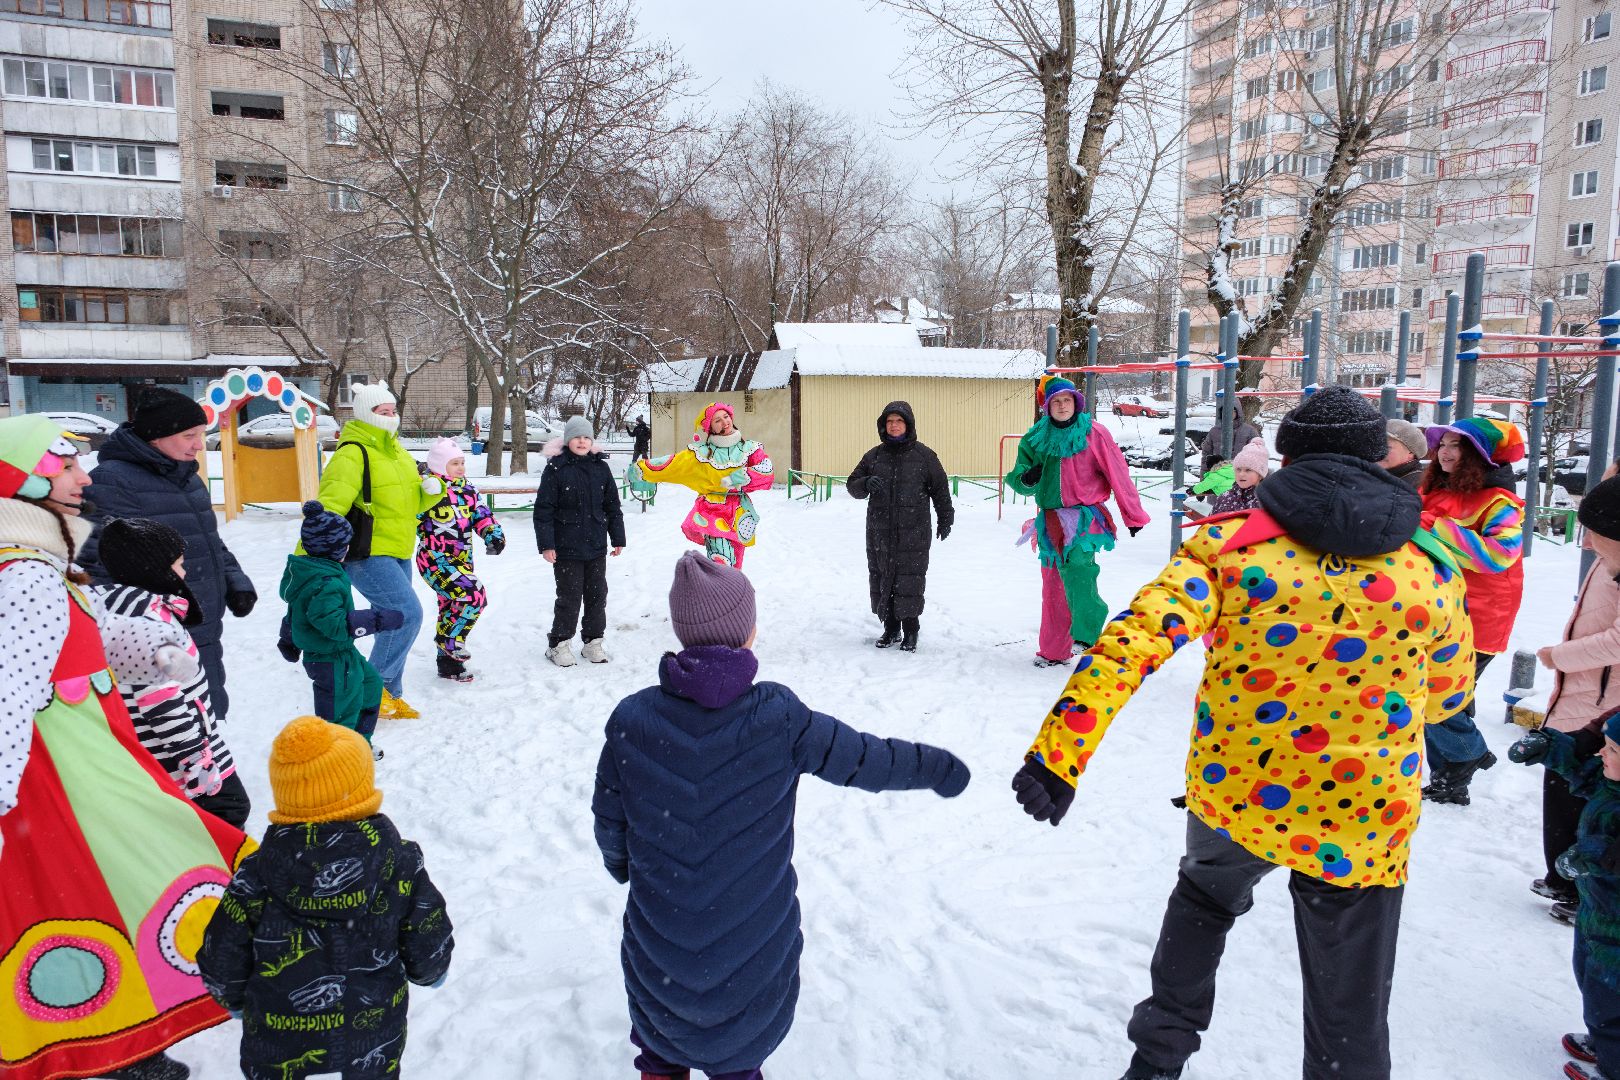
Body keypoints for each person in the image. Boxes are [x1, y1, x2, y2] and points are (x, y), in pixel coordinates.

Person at [1010, 386, 1475, 1080]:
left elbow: (1129, 645)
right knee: (1350, 1001)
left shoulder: (1227, 550)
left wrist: (1059, 756)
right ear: (1380, 458)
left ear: (1286, 457)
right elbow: (1448, 694)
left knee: (1201, 905)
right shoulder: (1431, 566)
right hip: (1368, 817)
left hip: (1239, 795)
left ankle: (1157, 1060)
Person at [592, 552, 970, 1079]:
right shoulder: (777, 717)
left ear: (681, 633)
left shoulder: (634, 720)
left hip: (663, 942)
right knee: (738, 1052)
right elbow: (864, 758)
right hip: (750, 950)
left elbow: (609, 817)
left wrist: (622, 868)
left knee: (661, 1045)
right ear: (749, 633)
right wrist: (935, 767)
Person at [0, 414, 251, 1080]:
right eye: (67, 467)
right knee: (114, 897)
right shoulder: (24, 576)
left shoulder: (41, 565)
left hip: (88, 774)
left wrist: (149, 648)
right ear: (27, 484)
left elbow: (83, 635)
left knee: (120, 897)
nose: (85, 478)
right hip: (65, 790)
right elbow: (6, 696)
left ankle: (128, 1047)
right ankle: (114, 1055)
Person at [198, 715, 453, 1080]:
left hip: (276, 1044)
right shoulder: (399, 863)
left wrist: (235, 1002)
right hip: (371, 1041)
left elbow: (221, 953)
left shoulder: (256, 874)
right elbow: (428, 933)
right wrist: (431, 973)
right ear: (362, 789)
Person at [81, 386, 256, 725]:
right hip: (155, 636)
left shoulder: (186, 478)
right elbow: (97, 564)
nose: (198, 444)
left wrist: (235, 582)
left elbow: (208, 539)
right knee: (170, 729)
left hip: (202, 622)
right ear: (156, 437)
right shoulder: (113, 482)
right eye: (189, 435)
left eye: (200, 435)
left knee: (208, 714)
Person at [93, 517, 249, 829]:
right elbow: (162, 703)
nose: (185, 572)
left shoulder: (114, 609)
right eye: (178, 564)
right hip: (186, 757)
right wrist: (199, 764)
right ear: (153, 571)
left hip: (159, 752)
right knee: (229, 812)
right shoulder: (149, 625)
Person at [311, 381, 443, 719]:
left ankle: (388, 695)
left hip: (398, 547)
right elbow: (329, 506)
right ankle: (373, 689)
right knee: (406, 614)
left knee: (390, 621)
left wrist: (430, 489)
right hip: (364, 551)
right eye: (382, 412)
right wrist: (310, 556)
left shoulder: (395, 450)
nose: (390, 417)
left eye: (393, 411)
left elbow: (409, 500)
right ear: (364, 415)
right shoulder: (353, 452)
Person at [1005, 375, 1149, 667]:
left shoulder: (1095, 433)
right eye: (1055, 401)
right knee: (1054, 586)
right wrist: (1026, 479)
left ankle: (1088, 629)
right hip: (1049, 520)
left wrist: (1132, 515)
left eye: (1066, 400)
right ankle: (1054, 651)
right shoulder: (1036, 436)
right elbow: (1019, 479)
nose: (1061, 406)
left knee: (1080, 568)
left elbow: (1117, 473)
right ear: (1047, 406)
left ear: (1076, 403)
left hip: (1085, 518)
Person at [1507, 710, 1620, 1080]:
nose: (1603, 754)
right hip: (1597, 910)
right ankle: (1607, 1041)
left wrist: (1592, 856)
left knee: (1611, 993)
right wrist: (1549, 748)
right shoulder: (1610, 784)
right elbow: (1581, 768)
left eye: (1613, 751)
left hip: (1616, 927)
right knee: (1589, 976)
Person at [1420, 416, 1527, 806]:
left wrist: (1437, 527)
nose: (1445, 453)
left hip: (1479, 614)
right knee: (1454, 695)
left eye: (1457, 446)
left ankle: (1466, 755)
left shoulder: (1500, 503)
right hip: (1440, 607)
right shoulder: (1432, 490)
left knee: (1441, 692)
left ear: (1478, 457)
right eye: (1443, 444)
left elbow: (1499, 555)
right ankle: (1452, 779)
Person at [1534, 472, 1620, 923]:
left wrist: (1559, 656)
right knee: (1563, 785)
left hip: (1600, 696)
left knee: (1581, 789)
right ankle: (1564, 877)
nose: (1587, 544)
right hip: (1584, 691)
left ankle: (1579, 888)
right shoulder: (1612, 550)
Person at [279, 502, 400, 748]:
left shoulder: (317, 571)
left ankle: (358, 743)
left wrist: (288, 639)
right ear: (335, 549)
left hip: (342, 653)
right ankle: (337, 753)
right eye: (345, 545)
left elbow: (294, 613)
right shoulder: (324, 582)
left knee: (370, 686)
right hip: (329, 658)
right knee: (340, 710)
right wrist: (378, 619)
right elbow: (335, 625)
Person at [846, 401, 954, 651]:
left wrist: (945, 518)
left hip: (913, 532)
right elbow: (852, 485)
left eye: (899, 421)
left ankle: (911, 631)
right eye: (890, 421)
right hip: (880, 532)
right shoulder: (873, 456)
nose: (894, 426)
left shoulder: (924, 456)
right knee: (883, 577)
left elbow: (940, 490)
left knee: (909, 580)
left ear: (908, 424)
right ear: (884, 425)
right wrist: (865, 483)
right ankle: (891, 628)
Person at [534, 416, 626, 667]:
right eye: (577, 437)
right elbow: (544, 510)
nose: (582, 441)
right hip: (567, 548)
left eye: (586, 437)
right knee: (570, 596)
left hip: (596, 546)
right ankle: (559, 644)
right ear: (567, 440)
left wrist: (617, 538)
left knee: (597, 595)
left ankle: (592, 642)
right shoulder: (556, 468)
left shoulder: (601, 468)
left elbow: (612, 507)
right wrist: (547, 544)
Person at [636, 401, 772, 567]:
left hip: (739, 511)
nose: (724, 422)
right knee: (721, 560)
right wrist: (638, 470)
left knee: (735, 564)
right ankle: (720, 587)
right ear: (710, 428)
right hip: (712, 510)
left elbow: (766, 471)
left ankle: (730, 591)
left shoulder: (749, 448)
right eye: (717, 420)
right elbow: (671, 464)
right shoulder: (701, 454)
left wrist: (737, 478)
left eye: (726, 416)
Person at [416, 437, 504, 683]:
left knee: (451, 607)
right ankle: (448, 641)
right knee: (474, 596)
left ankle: (448, 665)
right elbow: (407, 517)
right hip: (434, 558)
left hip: (461, 559)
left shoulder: (467, 488)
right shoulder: (427, 489)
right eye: (454, 463)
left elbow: (481, 515)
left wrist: (493, 535)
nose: (461, 468)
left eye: (462, 462)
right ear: (438, 466)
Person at [1183, 436, 1266, 521]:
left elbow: (1204, 485)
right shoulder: (1227, 495)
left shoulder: (1217, 474)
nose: (1241, 474)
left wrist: (1194, 490)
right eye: (1238, 470)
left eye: (1248, 470)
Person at [1382, 418, 1427, 490]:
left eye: (1387, 447)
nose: (1379, 452)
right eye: (1377, 446)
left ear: (1411, 452)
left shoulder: (1418, 486)